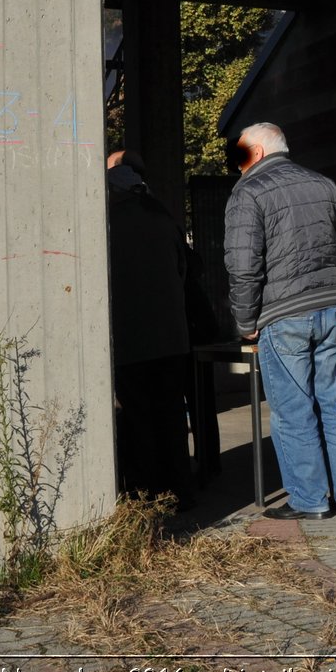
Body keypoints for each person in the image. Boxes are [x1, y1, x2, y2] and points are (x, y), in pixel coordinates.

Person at [223, 122, 336, 520]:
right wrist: (334, 288)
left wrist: (246, 321)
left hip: (283, 314)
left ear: (260, 153)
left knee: (293, 410)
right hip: (330, 310)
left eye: (242, 155)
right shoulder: (324, 185)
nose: (238, 165)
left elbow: (243, 266)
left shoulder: (248, 192)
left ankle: (309, 500)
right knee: (332, 403)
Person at [105, 151, 194, 506]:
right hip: (172, 336)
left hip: (131, 337)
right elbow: (183, 270)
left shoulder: (107, 222)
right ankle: (182, 489)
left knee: (138, 416)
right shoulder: (164, 217)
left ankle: (146, 492)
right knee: (172, 414)